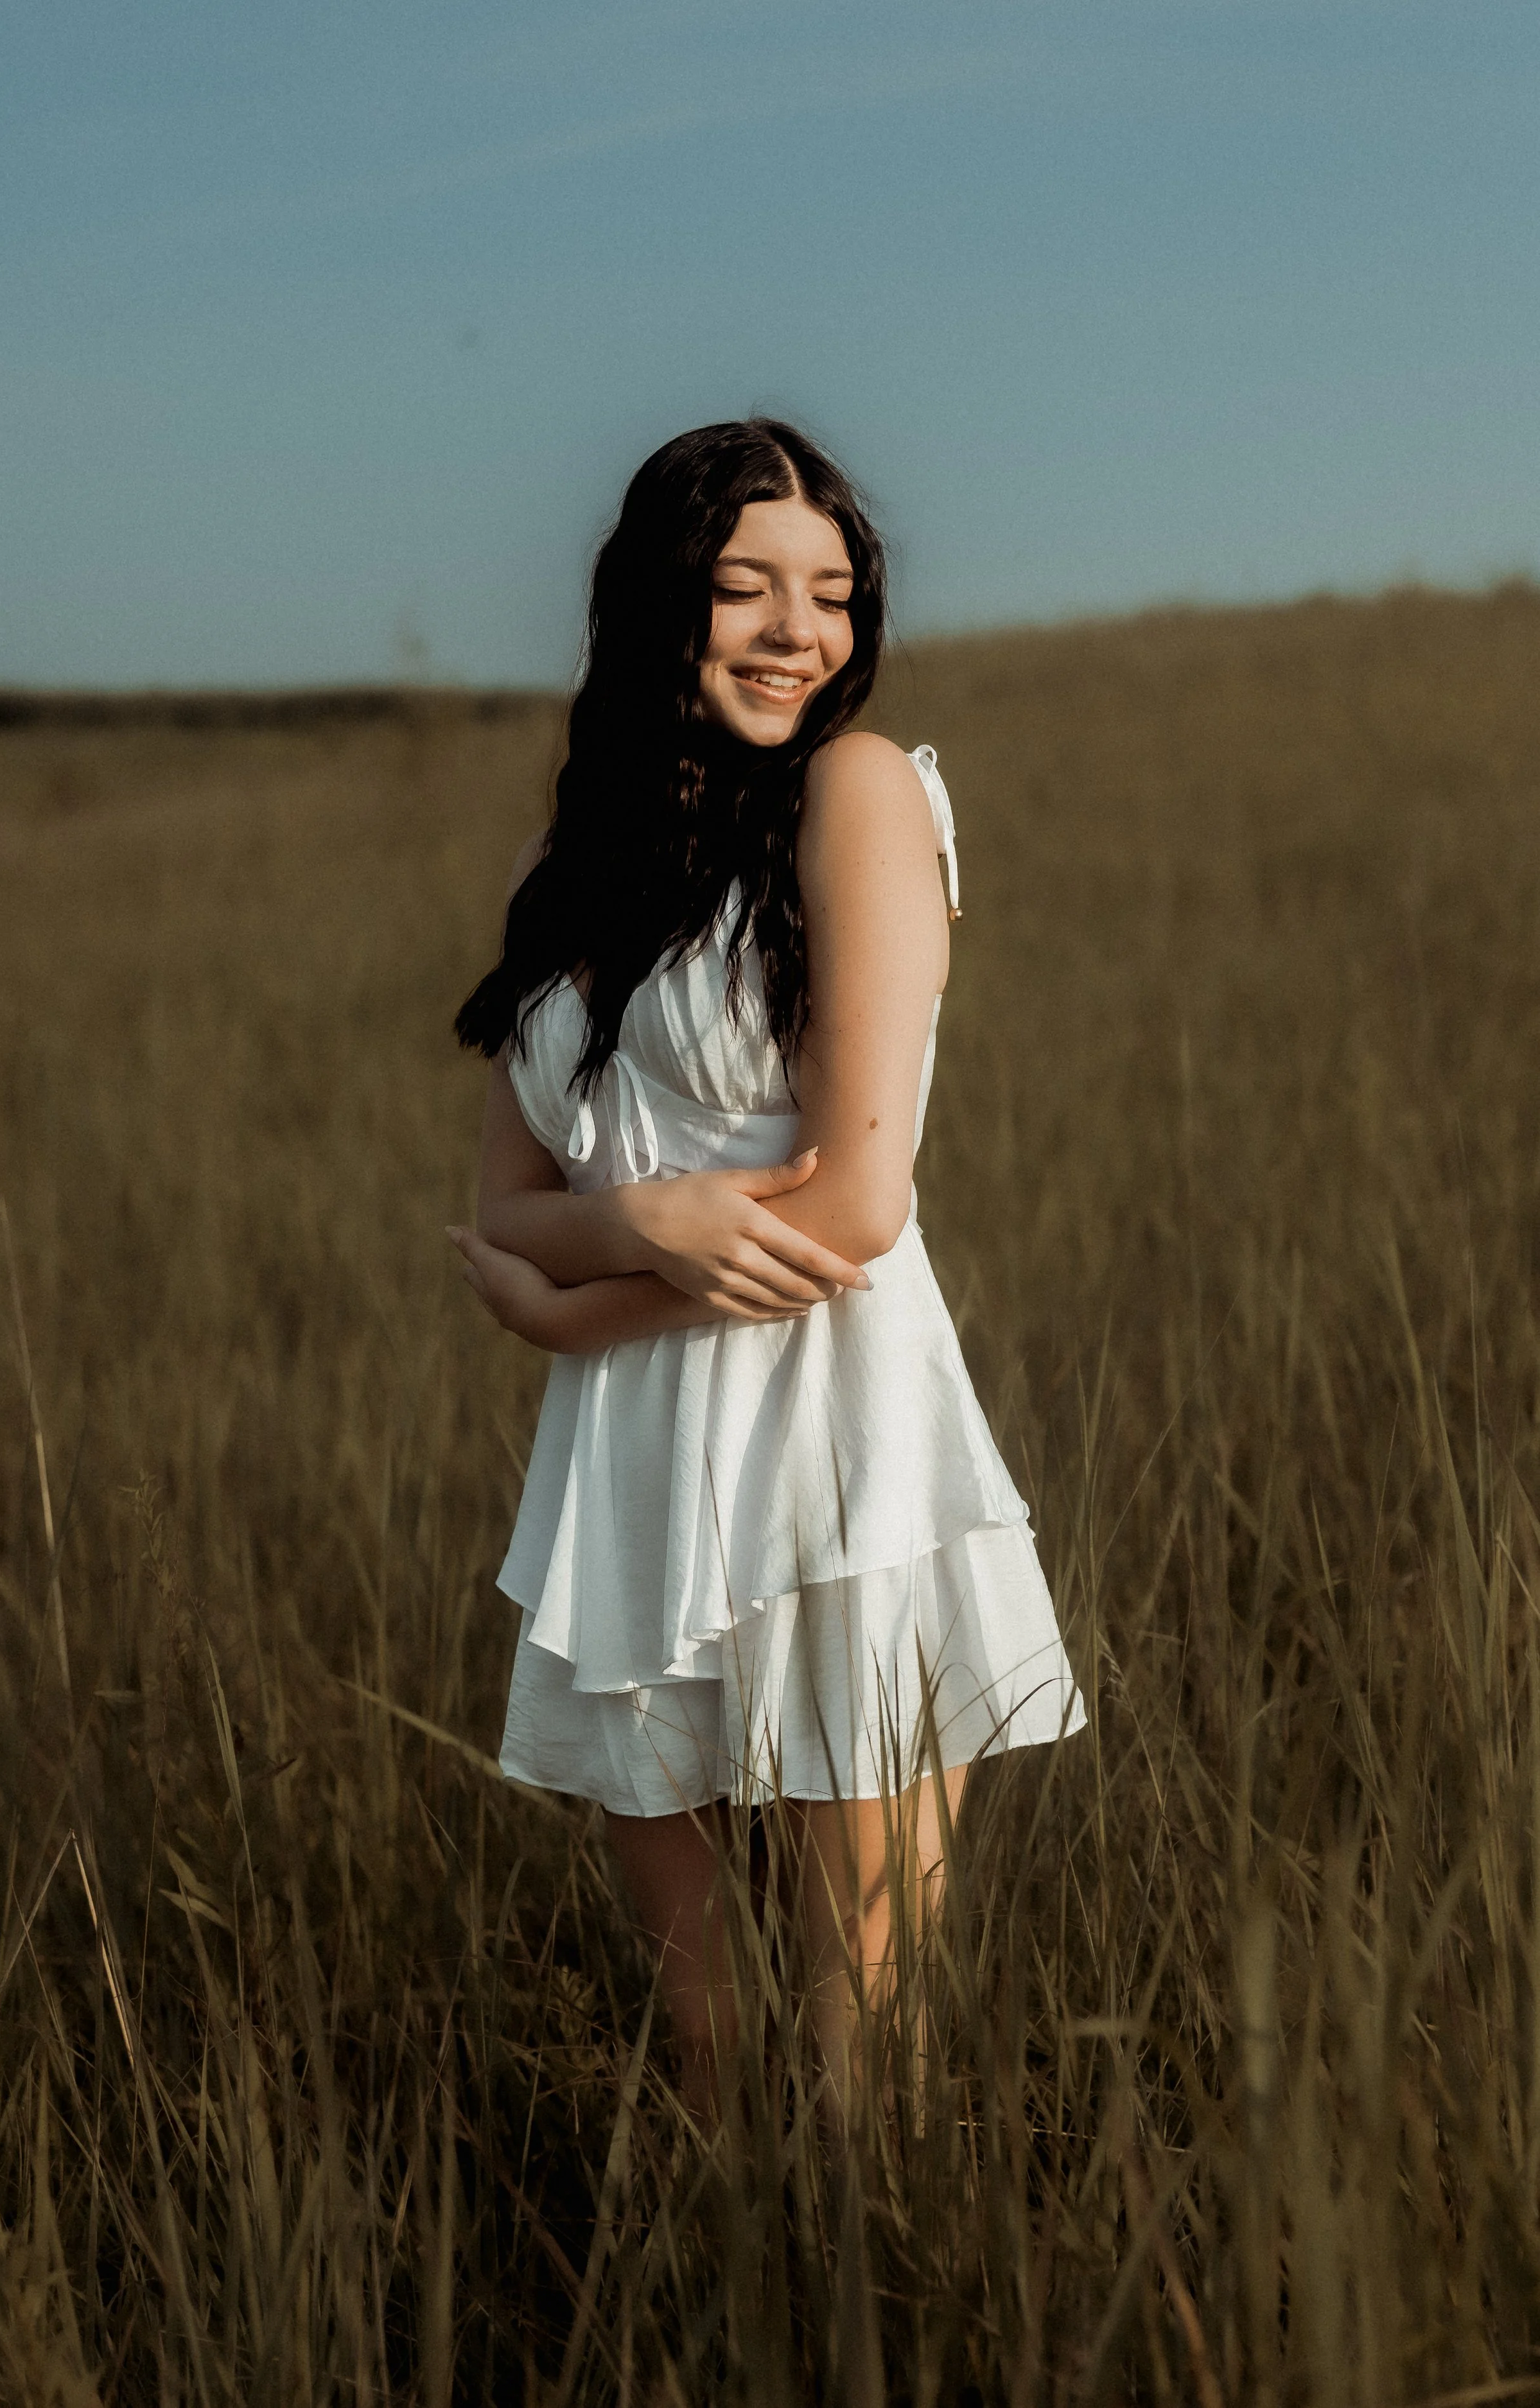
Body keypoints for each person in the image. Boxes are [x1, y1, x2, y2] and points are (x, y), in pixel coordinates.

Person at [449, 419, 1084, 2116]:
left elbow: (861, 1202)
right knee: (707, 2047)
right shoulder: (559, 870)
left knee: (861, 2043)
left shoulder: (856, 792)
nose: (797, 630)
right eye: (744, 587)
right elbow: (499, 1206)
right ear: (654, 602)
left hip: (828, 1442)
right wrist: (629, 1229)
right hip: (628, 1473)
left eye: (829, 593)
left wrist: (570, 1299)